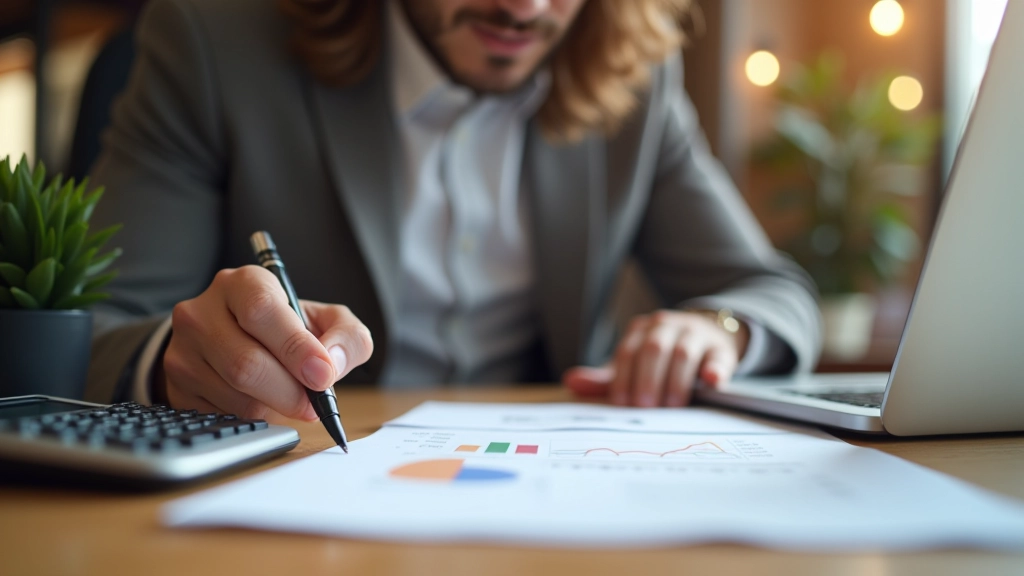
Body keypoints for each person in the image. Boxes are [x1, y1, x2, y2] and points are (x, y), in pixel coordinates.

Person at [85, 0, 822, 421]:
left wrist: (719, 330)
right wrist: (177, 362)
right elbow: (91, 328)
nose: (524, 9)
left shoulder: (636, 76)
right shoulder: (213, 44)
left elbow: (773, 292)